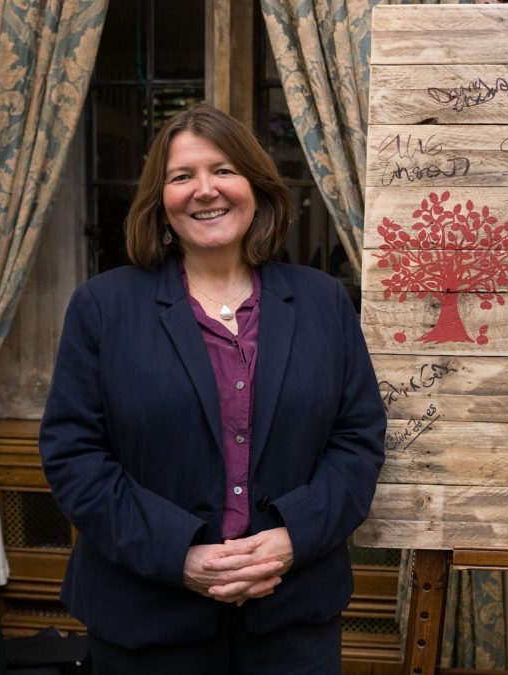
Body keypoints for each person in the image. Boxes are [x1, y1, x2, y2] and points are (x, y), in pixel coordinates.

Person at [39, 104, 387, 674]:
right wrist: (180, 553)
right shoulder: (102, 307)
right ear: (161, 200)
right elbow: (75, 456)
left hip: (292, 617)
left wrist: (291, 539)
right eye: (182, 177)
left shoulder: (323, 301)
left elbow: (358, 441)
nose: (205, 191)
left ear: (255, 186)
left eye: (223, 170)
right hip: (147, 618)